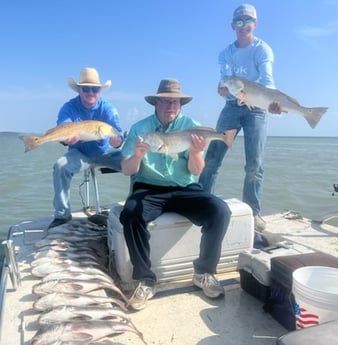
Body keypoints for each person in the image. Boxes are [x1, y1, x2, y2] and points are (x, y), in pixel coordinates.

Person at [119, 78, 232, 311]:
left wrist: (196, 152)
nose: (171, 106)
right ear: (156, 104)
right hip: (149, 187)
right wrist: (138, 155)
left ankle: (204, 272)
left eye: (175, 102)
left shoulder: (193, 127)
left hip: (184, 188)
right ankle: (146, 279)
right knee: (130, 213)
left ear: (181, 105)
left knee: (220, 210)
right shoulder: (141, 130)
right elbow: (126, 170)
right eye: (165, 102)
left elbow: (197, 171)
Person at [199, 4, 282, 232]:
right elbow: (225, 79)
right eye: (239, 21)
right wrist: (223, 89)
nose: (243, 25)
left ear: (255, 24)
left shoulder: (263, 50)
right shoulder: (225, 53)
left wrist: (272, 102)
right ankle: (201, 202)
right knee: (213, 157)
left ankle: (253, 211)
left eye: (247, 21)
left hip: (257, 107)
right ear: (232, 25)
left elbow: (267, 80)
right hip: (232, 107)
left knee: (254, 163)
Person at [48, 67, 124, 229]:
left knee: (137, 164)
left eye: (95, 89)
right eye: (86, 88)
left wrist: (117, 141)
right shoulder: (69, 107)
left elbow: (117, 134)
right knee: (60, 166)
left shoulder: (108, 109)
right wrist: (67, 140)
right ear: (79, 90)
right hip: (79, 153)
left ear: (100, 91)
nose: (91, 92)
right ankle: (62, 215)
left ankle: (134, 208)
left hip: (106, 153)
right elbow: (63, 127)